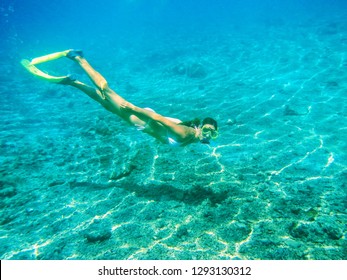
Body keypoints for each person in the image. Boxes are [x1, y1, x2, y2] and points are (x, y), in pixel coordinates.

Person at [21, 49, 218, 146]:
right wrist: (132, 109)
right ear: (200, 127)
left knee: (104, 102)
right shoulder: (186, 134)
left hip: (141, 118)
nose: (208, 135)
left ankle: (72, 81)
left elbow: (164, 124)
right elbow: (159, 119)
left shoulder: (193, 136)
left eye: (212, 134)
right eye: (208, 130)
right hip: (138, 116)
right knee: (106, 91)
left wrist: (205, 140)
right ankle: (78, 57)